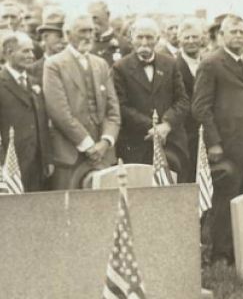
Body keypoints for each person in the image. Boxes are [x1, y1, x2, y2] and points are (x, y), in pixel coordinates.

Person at [192, 14, 243, 264]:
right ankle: (221, 254)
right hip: (227, 146)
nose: (238, 35)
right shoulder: (211, 63)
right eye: (232, 31)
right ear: (221, 35)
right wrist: (214, 142)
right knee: (224, 201)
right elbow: (200, 107)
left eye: (242, 32)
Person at [43, 12, 121, 190]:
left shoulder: (100, 64)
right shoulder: (54, 65)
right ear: (68, 34)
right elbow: (59, 112)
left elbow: (113, 110)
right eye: (82, 31)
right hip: (71, 155)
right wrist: (87, 144)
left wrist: (106, 141)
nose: (88, 36)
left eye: (91, 31)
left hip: (103, 156)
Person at [112, 18, 190, 178]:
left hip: (170, 141)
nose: (144, 42)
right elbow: (121, 106)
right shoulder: (120, 68)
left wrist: (166, 125)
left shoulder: (170, 64)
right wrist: (152, 127)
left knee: (172, 187)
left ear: (157, 39)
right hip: (136, 142)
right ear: (131, 39)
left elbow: (182, 100)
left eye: (149, 37)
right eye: (139, 37)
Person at [0, 32, 52, 191]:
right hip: (11, 166)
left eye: (32, 51)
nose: (31, 55)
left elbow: (43, 125)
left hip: (37, 164)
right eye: (25, 51)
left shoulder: (35, 83)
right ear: (9, 53)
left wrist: (47, 159)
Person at [175, 17, 207, 181]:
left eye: (195, 37)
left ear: (202, 39)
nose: (191, 41)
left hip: (207, 131)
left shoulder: (209, 62)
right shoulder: (173, 65)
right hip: (186, 132)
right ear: (179, 40)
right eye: (186, 37)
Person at [28, 6, 67, 81]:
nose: (64, 40)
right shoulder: (32, 70)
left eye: (66, 36)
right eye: (59, 36)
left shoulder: (74, 66)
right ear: (45, 37)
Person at [88, 1, 132, 66]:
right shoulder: (88, 44)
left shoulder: (123, 44)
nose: (92, 22)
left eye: (95, 18)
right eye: (89, 19)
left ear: (107, 15)